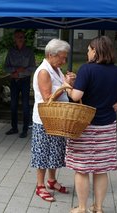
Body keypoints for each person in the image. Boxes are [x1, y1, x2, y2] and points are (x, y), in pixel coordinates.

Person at [64, 36, 117, 213]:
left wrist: (66, 85)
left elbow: (76, 97)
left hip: (84, 127)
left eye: (88, 49)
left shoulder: (87, 69)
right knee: (101, 169)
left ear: (95, 51)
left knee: (82, 169)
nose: (87, 52)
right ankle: (98, 208)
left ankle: (82, 207)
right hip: (107, 127)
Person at [31, 38, 75, 202]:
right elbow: (47, 98)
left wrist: (68, 83)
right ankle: (40, 185)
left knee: (56, 151)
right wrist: (64, 86)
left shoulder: (55, 69)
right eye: (62, 57)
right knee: (43, 153)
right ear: (51, 55)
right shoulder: (44, 71)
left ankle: (52, 180)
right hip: (45, 119)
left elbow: (63, 90)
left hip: (56, 118)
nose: (64, 61)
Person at [4, 29, 36, 138]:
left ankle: (25, 129)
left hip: (25, 80)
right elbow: (6, 67)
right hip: (14, 80)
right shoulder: (11, 51)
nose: (21, 39)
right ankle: (14, 127)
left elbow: (32, 67)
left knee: (26, 105)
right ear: (15, 38)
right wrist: (16, 70)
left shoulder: (29, 52)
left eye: (22, 36)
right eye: (18, 37)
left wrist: (20, 73)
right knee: (13, 105)